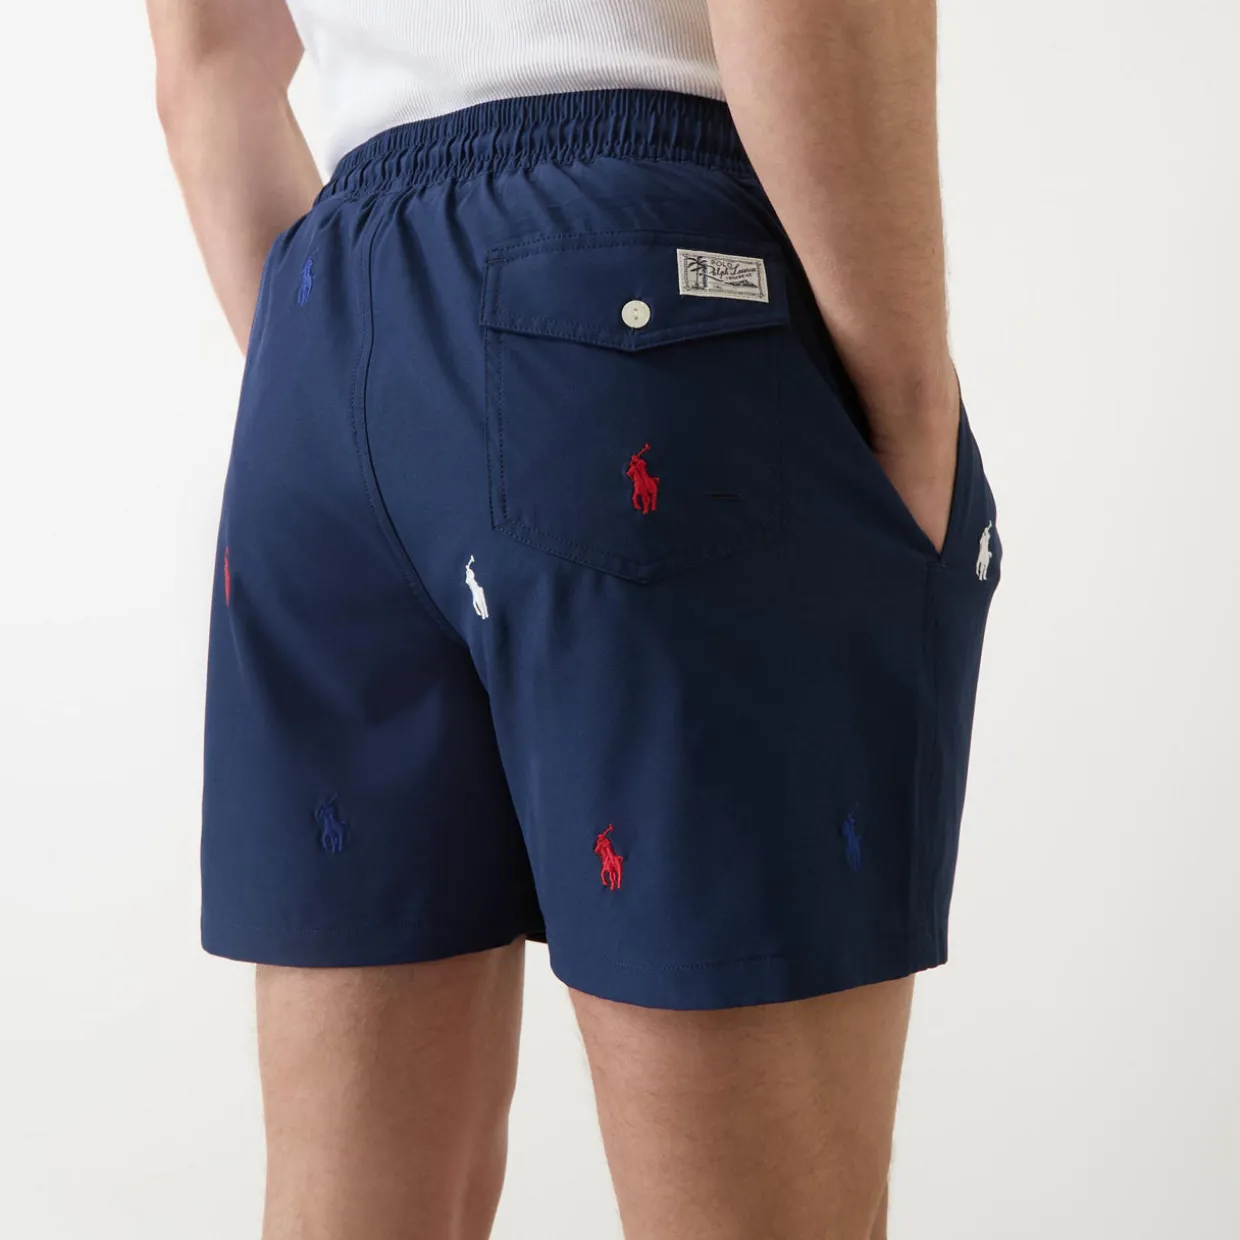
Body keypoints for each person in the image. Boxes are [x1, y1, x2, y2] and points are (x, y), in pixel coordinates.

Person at [147, 1, 1001, 1236]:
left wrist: (372, 410)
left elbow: (205, 62)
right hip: (641, 295)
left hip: (326, 334)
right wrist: (912, 412)